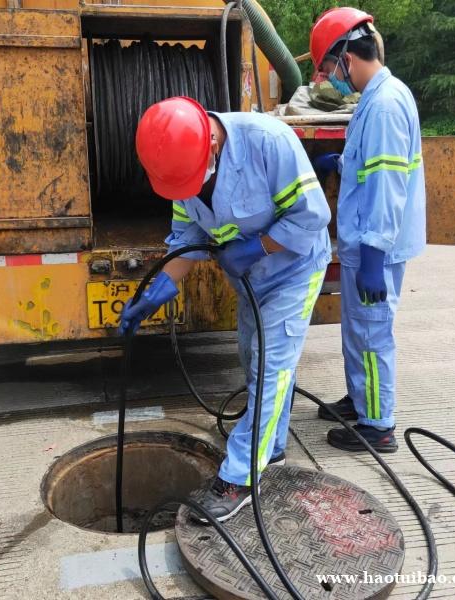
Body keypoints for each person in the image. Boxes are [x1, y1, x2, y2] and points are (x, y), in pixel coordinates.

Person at [119, 96, 331, 522]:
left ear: (212, 143)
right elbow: (188, 236)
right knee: (253, 359)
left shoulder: (269, 142)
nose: (189, 190)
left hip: (294, 270)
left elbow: (312, 216)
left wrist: (257, 247)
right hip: (250, 279)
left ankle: (239, 478)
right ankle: (271, 446)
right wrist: (159, 288)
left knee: (271, 366)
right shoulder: (179, 169)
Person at [310, 8, 426, 452]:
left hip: (376, 244)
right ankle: (360, 399)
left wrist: (375, 254)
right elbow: (367, 165)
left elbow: (387, 183)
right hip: (364, 242)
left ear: (347, 57)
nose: (328, 79)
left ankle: (377, 425)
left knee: (372, 333)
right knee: (358, 328)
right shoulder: (374, 99)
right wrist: (337, 163)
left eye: (328, 69)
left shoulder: (384, 105)